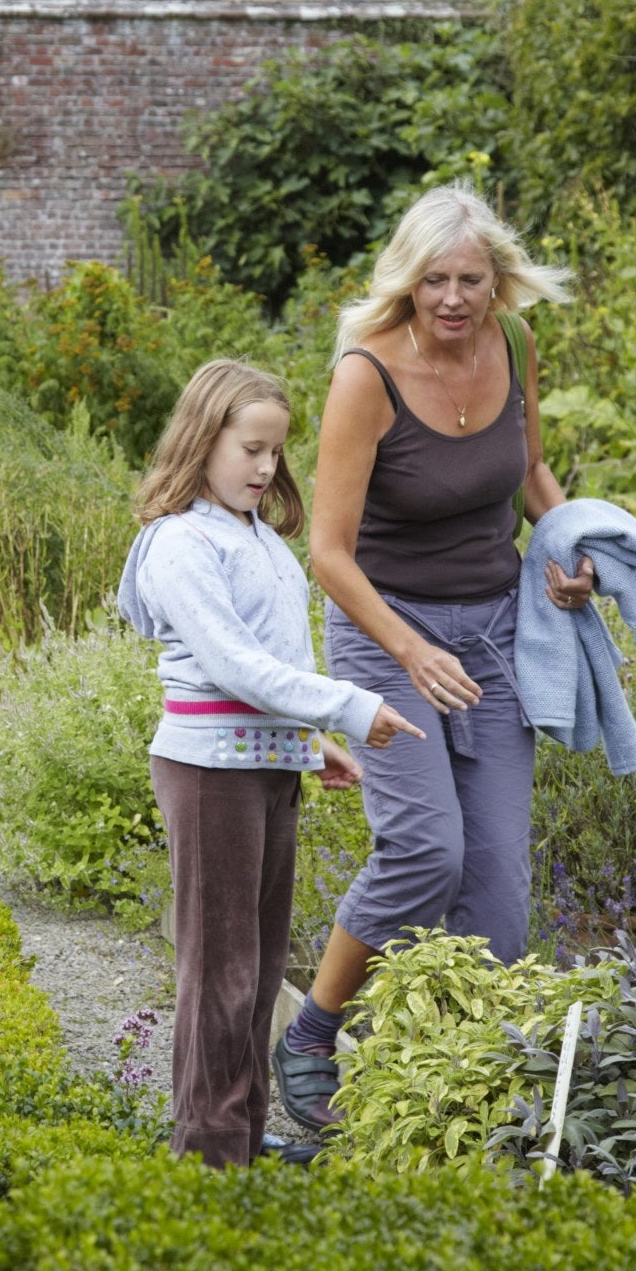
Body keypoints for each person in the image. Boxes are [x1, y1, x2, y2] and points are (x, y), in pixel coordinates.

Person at [271, 182, 597, 1131]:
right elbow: (327, 552)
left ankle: (454, 1085)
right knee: (424, 848)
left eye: (472, 280)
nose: (453, 300)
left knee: (497, 887)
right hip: (386, 632)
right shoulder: (363, 377)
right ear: (405, 283)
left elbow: (531, 470)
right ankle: (316, 1032)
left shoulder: (517, 345)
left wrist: (566, 549)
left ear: (499, 283)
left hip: (495, 634)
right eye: (434, 281)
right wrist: (409, 651)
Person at [115, 360, 423, 1167]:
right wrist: (349, 710)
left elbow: (266, 660)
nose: (264, 468)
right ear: (202, 439)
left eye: (274, 453)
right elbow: (231, 666)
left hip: (262, 767)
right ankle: (210, 1156)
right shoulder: (181, 542)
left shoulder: (254, 537)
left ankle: (242, 1139)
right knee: (220, 974)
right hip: (210, 775)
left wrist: (305, 741)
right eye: (250, 448)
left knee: (256, 973)